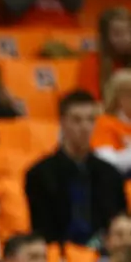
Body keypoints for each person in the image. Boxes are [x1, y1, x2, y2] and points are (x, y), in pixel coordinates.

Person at [25, 90, 127, 248]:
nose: (85, 127)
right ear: (63, 122)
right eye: (77, 120)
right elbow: (41, 231)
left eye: (90, 120)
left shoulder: (111, 175)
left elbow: (118, 224)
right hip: (57, 256)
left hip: (105, 256)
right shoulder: (39, 174)